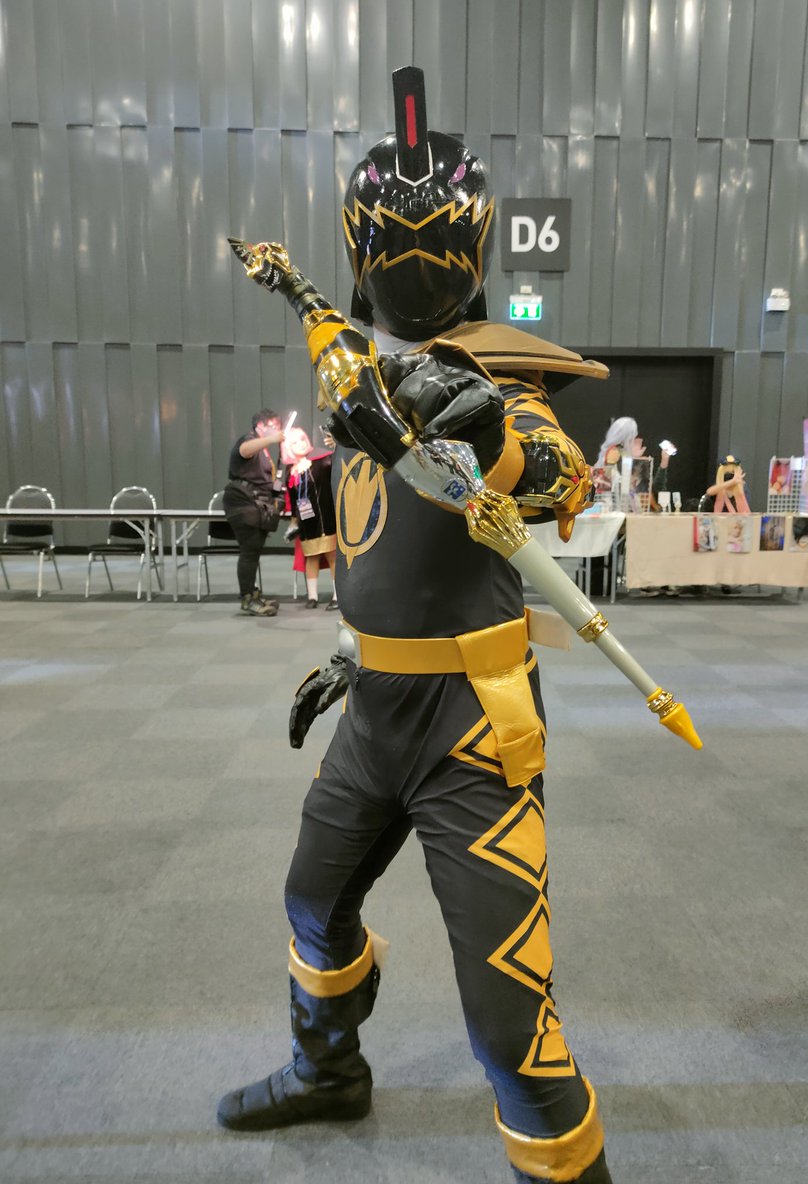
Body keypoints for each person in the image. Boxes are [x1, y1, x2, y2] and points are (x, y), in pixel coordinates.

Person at [218, 66, 614, 1184]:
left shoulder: (498, 378)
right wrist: (351, 652)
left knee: (509, 1017)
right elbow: (377, 541)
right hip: (375, 713)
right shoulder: (360, 376)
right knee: (313, 901)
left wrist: (492, 434)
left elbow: (557, 471)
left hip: (473, 733)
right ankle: (328, 1068)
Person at [222, 409, 285, 616]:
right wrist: (272, 439)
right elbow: (245, 450)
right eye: (273, 426)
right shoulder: (249, 440)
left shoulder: (264, 451)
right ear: (260, 426)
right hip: (243, 503)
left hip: (256, 504)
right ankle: (247, 598)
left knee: (253, 550)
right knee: (249, 551)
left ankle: (253, 594)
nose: (277, 430)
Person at [282, 425, 339, 610]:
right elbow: (292, 500)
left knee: (332, 556)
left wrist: (337, 446)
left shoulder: (323, 460)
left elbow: (338, 466)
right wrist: (293, 523)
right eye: (294, 442)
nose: (300, 444)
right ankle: (312, 596)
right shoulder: (291, 471)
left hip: (327, 518)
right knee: (311, 557)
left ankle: (338, 595)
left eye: (302, 439)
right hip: (307, 522)